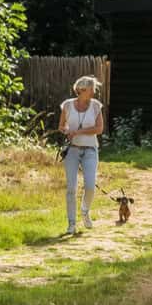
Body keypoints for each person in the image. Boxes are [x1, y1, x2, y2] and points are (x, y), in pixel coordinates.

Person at [57, 76, 105, 236]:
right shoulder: (67, 105)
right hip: (72, 150)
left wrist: (79, 132)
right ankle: (71, 224)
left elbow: (99, 129)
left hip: (90, 150)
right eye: (91, 89)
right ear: (81, 90)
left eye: (93, 89)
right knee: (71, 188)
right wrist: (67, 131)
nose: (94, 92)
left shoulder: (96, 106)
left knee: (90, 186)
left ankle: (85, 210)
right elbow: (61, 126)